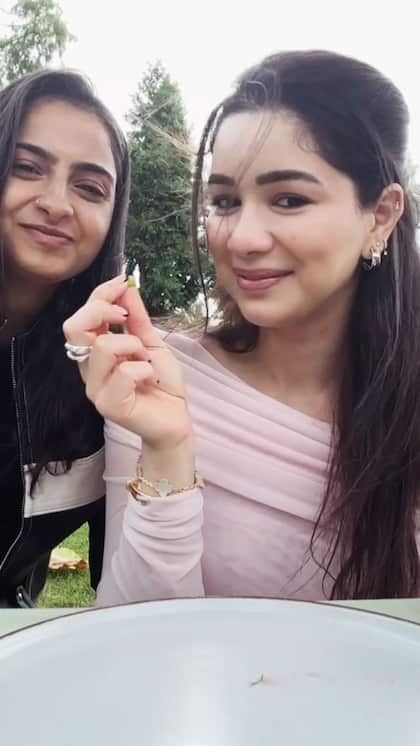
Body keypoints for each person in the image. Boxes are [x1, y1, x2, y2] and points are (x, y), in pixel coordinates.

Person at [64, 50, 420, 604]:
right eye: (225, 201)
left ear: (381, 215)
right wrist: (167, 448)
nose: (243, 239)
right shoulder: (161, 380)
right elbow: (135, 630)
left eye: (289, 200)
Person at [0, 68, 130, 607]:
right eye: (27, 168)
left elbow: (121, 585)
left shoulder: (111, 367)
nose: (57, 203)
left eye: (90, 187)